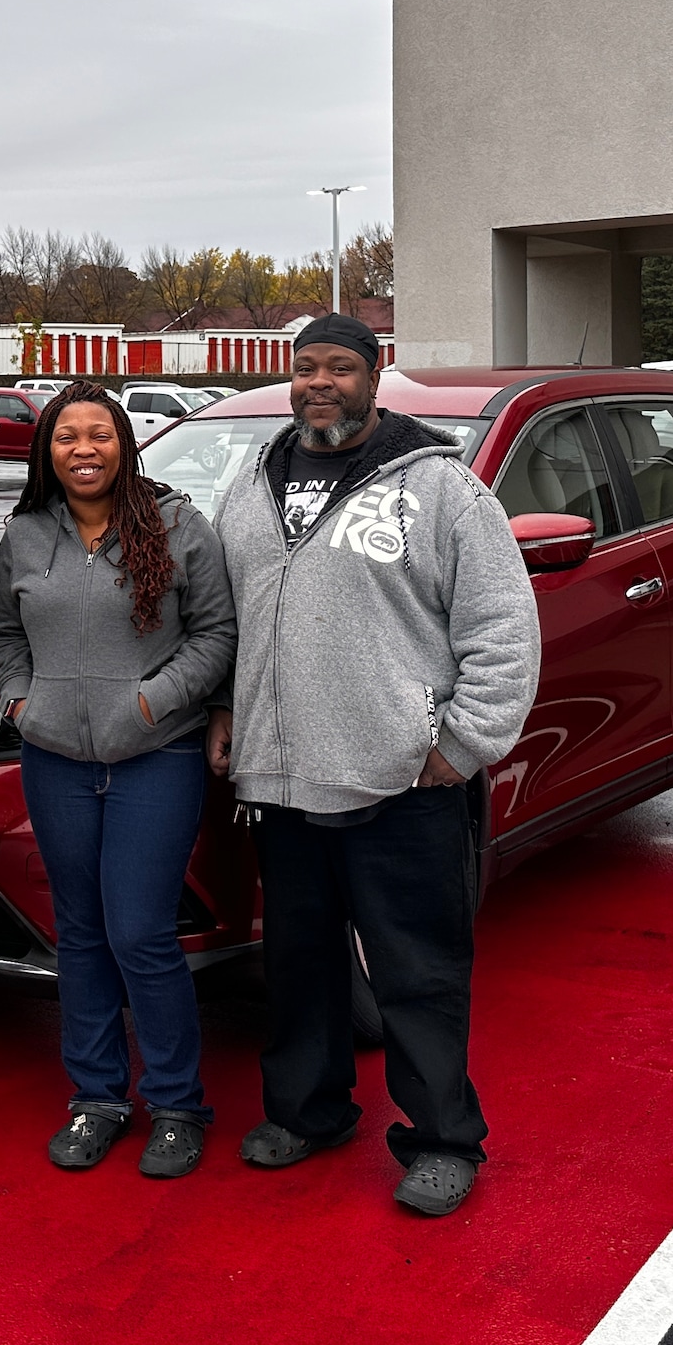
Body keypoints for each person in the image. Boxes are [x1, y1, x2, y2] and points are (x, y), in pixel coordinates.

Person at [205, 313, 539, 1217]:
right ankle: (310, 1112)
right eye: (306, 367)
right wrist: (232, 708)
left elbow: (503, 631)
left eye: (341, 367)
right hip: (282, 785)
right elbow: (233, 619)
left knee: (418, 972)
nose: (321, 382)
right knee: (302, 965)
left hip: (403, 785)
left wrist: (457, 745)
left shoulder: (439, 490)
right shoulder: (253, 485)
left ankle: (441, 1141)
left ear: (375, 374)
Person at [0, 381, 237, 1179]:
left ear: (125, 443)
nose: (84, 449)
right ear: (46, 450)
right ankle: (96, 1097)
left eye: (100, 434)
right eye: (68, 437)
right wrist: (20, 698)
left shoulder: (178, 526)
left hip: (155, 755)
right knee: (80, 933)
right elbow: (3, 628)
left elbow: (217, 632)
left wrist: (151, 701)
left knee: (140, 931)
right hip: (54, 757)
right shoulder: (25, 534)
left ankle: (176, 1102)